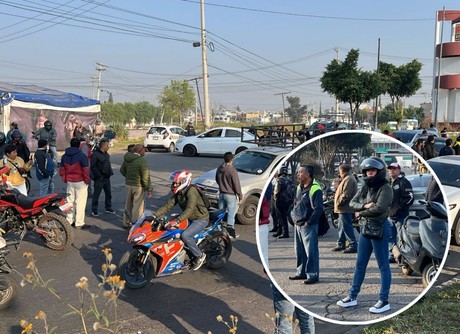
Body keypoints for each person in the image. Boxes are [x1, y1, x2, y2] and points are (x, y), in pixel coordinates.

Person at [337, 157, 393, 314]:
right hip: (365, 229)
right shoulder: (366, 187)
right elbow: (352, 203)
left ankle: (384, 300)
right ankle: (352, 296)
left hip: (380, 229)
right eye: (368, 171)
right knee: (360, 265)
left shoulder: (386, 188)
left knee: (383, 266)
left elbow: (380, 208)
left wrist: (361, 212)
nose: (370, 173)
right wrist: (364, 206)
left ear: (379, 172)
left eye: (373, 171)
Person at [153, 170, 208, 271]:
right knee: (171, 231)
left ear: (184, 182)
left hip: (200, 218)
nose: (174, 185)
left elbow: (190, 209)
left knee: (185, 235)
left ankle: (199, 255)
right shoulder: (178, 192)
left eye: (176, 183)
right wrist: (153, 216)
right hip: (189, 217)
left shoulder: (191, 191)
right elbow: (167, 206)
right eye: (174, 182)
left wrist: (177, 220)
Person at [288, 165, 323, 285]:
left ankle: (312, 275)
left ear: (308, 174)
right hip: (298, 223)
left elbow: (319, 209)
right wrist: (293, 216)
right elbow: (295, 203)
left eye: (300, 172)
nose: (298, 174)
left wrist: (309, 222)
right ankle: (301, 272)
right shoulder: (299, 187)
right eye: (298, 172)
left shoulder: (315, 189)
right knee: (299, 251)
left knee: (311, 251)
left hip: (308, 225)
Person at [59, 138, 90, 229]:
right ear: (79, 145)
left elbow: (62, 170)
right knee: (80, 202)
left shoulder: (65, 156)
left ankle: (69, 220)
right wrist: (87, 181)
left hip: (70, 181)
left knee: (69, 201)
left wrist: (65, 179)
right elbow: (86, 170)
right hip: (80, 182)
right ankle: (79, 222)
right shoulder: (82, 156)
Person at [120, 144, 153, 228]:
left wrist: (128, 177)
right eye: (144, 149)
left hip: (128, 184)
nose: (145, 151)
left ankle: (126, 222)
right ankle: (136, 224)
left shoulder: (127, 159)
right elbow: (145, 177)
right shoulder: (142, 161)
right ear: (140, 151)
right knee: (137, 206)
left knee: (128, 204)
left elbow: (122, 170)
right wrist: (149, 188)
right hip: (138, 186)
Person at [388, 163, 414, 262]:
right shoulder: (389, 182)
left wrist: (399, 208)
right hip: (389, 215)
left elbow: (410, 197)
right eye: (390, 169)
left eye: (394, 169)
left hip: (401, 215)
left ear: (399, 170)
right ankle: (392, 255)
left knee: (401, 237)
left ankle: (402, 257)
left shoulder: (404, 182)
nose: (392, 171)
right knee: (390, 236)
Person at [331, 164, 358, 254]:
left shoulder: (349, 179)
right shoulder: (346, 179)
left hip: (345, 208)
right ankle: (341, 243)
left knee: (346, 226)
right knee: (341, 226)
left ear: (342, 170)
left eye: (339, 171)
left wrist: (338, 202)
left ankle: (353, 245)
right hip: (342, 208)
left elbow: (346, 194)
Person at [215, 152, 243, 239]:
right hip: (230, 195)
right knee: (231, 214)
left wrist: (221, 185)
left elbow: (217, 178)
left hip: (221, 193)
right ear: (232, 160)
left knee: (220, 212)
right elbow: (236, 184)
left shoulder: (220, 168)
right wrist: (240, 196)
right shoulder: (232, 170)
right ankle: (230, 233)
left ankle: (219, 231)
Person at [90, 139, 114, 216]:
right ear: (103, 146)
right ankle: (94, 209)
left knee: (108, 194)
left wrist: (110, 172)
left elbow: (108, 164)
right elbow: (93, 167)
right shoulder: (95, 154)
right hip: (99, 178)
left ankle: (108, 207)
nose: (108, 147)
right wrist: (99, 176)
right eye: (107, 145)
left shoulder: (106, 154)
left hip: (107, 177)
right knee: (96, 194)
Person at [273, 166, 294, 238]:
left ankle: (284, 233)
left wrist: (275, 199)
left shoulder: (279, 180)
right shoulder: (289, 180)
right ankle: (280, 231)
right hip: (288, 201)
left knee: (280, 217)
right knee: (283, 216)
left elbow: (276, 191)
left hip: (280, 200)